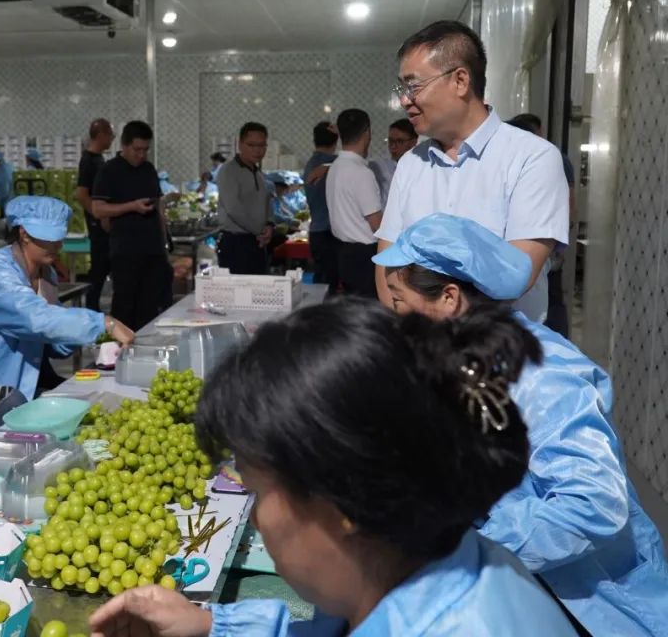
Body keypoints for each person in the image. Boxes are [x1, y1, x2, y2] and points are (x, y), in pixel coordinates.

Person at [90, 299, 577, 637]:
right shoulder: (452, 556)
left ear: (344, 504)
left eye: (258, 492)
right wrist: (215, 625)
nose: (255, 520)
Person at [375, 213, 668, 637]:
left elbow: (594, 506)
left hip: (588, 603)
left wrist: (463, 546)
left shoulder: (544, 377)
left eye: (399, 302)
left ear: (449, 298)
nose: (395, 316)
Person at [375, 20, 569, 323]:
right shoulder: (411, 163)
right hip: (421, 350)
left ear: (460, 81)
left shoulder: (532, 158)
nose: (404, 100)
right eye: (402, 88)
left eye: (413, 86)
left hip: (499, 354)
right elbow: (387, 267)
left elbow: (517, 277)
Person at [0, 196, 134, 399]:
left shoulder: (45, 273)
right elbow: (35, 318)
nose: (57, 245)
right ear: (24, 233)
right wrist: (102, 324)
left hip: (28, 382)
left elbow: (54, 345)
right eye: (48, 238)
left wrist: (83, 337)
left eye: (59, 238)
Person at [90, 121, 173, 330]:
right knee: (125, 308)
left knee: (150, 308)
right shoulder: (109, 171)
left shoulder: (148, 169)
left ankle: (146, 356)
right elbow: (98, 209)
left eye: (145, 150)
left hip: (153, 251)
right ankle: (120, 355)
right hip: (126, 251)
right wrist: (131, 207)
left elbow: (159, 208)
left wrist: (164, 245)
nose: (141, 155)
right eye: (137, 150)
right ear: (124, 146)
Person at [507, 112, 575, 338]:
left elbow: (568, 205)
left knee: (550, 304)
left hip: (545, 251)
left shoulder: (550, 159)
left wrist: (556, 246)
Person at [326, 109, 382, 298]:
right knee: (369, 314)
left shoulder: (335, 167)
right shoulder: (361, 173)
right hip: (364, 257)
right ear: (367, 133)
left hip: (343, 253)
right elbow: (377, 225)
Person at [216, 122, 273, 275]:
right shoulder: (229, 171)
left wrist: (269, 225)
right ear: (240, 144)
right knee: (238, 294)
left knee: (258, 292)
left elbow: (267, 201)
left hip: (256, 242)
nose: (257, 150)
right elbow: (234, 209)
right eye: (251, 145)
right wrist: (259, 231)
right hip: (235, 243)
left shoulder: (259, 173)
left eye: (262, 145)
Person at [76, 118, 115, 312]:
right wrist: (99, 215)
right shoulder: (89, 160)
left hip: (104, 223)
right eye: (110, 134)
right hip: (97, 225)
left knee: (107, 265)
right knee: (99, 268)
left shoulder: (100, 159)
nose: (113, 138)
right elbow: (81, 194)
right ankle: (91, 309)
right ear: (100, 135)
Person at [303, 121, 340, 295]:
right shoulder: (336, 163)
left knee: (321, 284)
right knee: (330, 286)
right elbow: (359, 163)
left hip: (316, 231)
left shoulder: (311, 163)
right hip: (330, 233)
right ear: (336, 140)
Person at [370, 118, 417, 208]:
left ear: (413, 142)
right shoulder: (379, 168)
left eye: (399, 141)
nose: (393, 146)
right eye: (391, 141)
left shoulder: (423, 169)